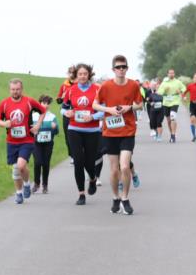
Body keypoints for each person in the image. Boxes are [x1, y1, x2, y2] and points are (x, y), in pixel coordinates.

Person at [95, 54, 144, 215]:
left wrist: (129, 107)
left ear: (127, 68)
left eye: (124, 67)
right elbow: (95, 104)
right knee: (114, 169)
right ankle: (115, 197)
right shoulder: (106, 86)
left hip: (128, 131)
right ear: (113, 69)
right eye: (118, 67)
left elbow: (140, 104)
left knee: (125, 166)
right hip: (110, 132)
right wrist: (108, 109)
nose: (121, 70)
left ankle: (125, 198)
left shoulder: (133, 86)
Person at [0, 79, 46, 204]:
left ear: (21, 89)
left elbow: (43, 111)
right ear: (9, 90)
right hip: (11, 141)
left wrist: (38, 125)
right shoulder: (4, 104)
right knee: (16, 168)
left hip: (27, 140)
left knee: (21, 166)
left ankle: (27, 184)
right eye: (13, 89)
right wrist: (4, 123)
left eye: (17, 89)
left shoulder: (29, 101)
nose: (15, 91)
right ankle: (19, 193)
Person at [61, 63, 104, 205]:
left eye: (85, 74)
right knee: (78, 161)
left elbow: (104, 110)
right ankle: (81, 194)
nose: (82, 76)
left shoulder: (97, 89)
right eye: (80, 74)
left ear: (89, 75)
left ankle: (92, 179)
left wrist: (93, 117)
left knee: (89, 161)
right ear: (76, 76)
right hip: (74, 129)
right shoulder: (71, 90)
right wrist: (67, 112)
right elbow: (64, 108)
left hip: (92, 130)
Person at [31, 95, 59, 193]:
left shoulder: (52, 117)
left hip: (48, 143)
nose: (45, 105)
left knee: (46, 164)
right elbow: (28, 129)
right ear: (39, 103)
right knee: (38, 162)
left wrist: (54, 127)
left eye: (47, 103)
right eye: (43, 103)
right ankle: (36, 183)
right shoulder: (33, 116)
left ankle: (45, 185)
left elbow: (57, 132)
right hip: (36, 143)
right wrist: (33, 130)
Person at [157, 68, 187, 143]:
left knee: (173, 117)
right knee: (168, 120)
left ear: (174, 74)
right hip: (166, 103)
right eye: (170, 73)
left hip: (175, 101)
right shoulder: (164, 83)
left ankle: (173, 135)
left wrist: (179, 91)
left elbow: (184, 88)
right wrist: (164, 90)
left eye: (173, 73)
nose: (171, 74)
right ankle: (171, 134)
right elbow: (159, 92)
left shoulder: (178, 82)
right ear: (167, 74)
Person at [57, 66, 75, 160]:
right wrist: (62, 97)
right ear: (68, 74)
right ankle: (71, 155)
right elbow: (58, 101)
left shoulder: (79, 84)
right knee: (67, 135)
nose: (71, 74)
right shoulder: (64, 85)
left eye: (73, 72)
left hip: (78, 113)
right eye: (70, 72)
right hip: (67, 113)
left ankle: (79, 153)